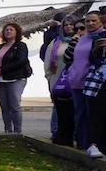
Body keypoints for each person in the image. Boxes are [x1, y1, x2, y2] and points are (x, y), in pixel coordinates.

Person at [68, 12, 104, 151]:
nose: (90, 24)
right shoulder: (82, 38)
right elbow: (73, 58)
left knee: (93, 115)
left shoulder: (102, 36)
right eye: (87, 21)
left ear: (100, 22)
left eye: (93, 21)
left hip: (94, 82)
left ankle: (94, 144)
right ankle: (83, 144)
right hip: (77, 81)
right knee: (80, 115)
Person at [0, 21, 31, 134]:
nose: (8, 31)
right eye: (6, 30)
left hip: (15, 79)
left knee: (14, 105)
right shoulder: (2, 46)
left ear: (16, 32)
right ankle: (8, 130)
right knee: (4, 106)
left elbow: (20, 61)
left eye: (11, 30)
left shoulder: (20, 46)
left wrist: (2, 70)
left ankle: (17, 131)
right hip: (0, 79)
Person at [45, 17, 77, 147]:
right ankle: (57, 132)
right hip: (58, 80)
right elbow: (48, 62)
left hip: (76, 80)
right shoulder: (56, 42)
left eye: (71, 24)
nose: (69, 27)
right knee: (58, 109)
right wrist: (50, 78)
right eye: (66, 25)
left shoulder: (81, 40)